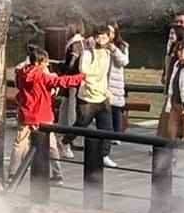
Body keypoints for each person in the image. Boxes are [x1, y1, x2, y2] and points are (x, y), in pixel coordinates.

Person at [10, 46, 87, 183]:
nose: (47, 64)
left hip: (26, 115)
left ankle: (13, 173)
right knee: (51, 146)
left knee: (19, 144)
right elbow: (61, 82)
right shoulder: (43, 77)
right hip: (43, 116)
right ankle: (57, 174)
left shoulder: (21, 73)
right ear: (38, 62)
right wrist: (81, 77)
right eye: (45, 62)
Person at [68, 25, 120, 166]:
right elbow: (84, 75)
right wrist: (100, 90)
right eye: (98, 37)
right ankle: (65, 142)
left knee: (106, 127)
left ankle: (105, 155)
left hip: (102, 97)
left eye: (103, 37)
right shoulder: (86, 53)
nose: (100, 40)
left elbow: (105, 74)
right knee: (81, 124)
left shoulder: (107, 53)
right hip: (87, 97)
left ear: (108, 37)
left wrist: (105, 90)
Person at [56, 20, 86, 158]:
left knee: (70, 113)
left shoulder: (75, 44)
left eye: (67, 26)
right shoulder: (81, 42)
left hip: (73, 83)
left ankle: (67, 141)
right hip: (72, 83)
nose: (65, 29)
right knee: (65, 110)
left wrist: (60, 66)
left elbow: (72, 66)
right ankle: (62, 137)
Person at [105, 21, 130, 148]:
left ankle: (117, 135)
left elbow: (124, 61)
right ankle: (107, 135)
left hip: (116, 82)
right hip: (104, 82)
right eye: (108, 32)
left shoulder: (122, 46)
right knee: (105, 110)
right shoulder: (100, 44)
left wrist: (115, 51)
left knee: (116, 109)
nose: (110, 35)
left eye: (112, 32)